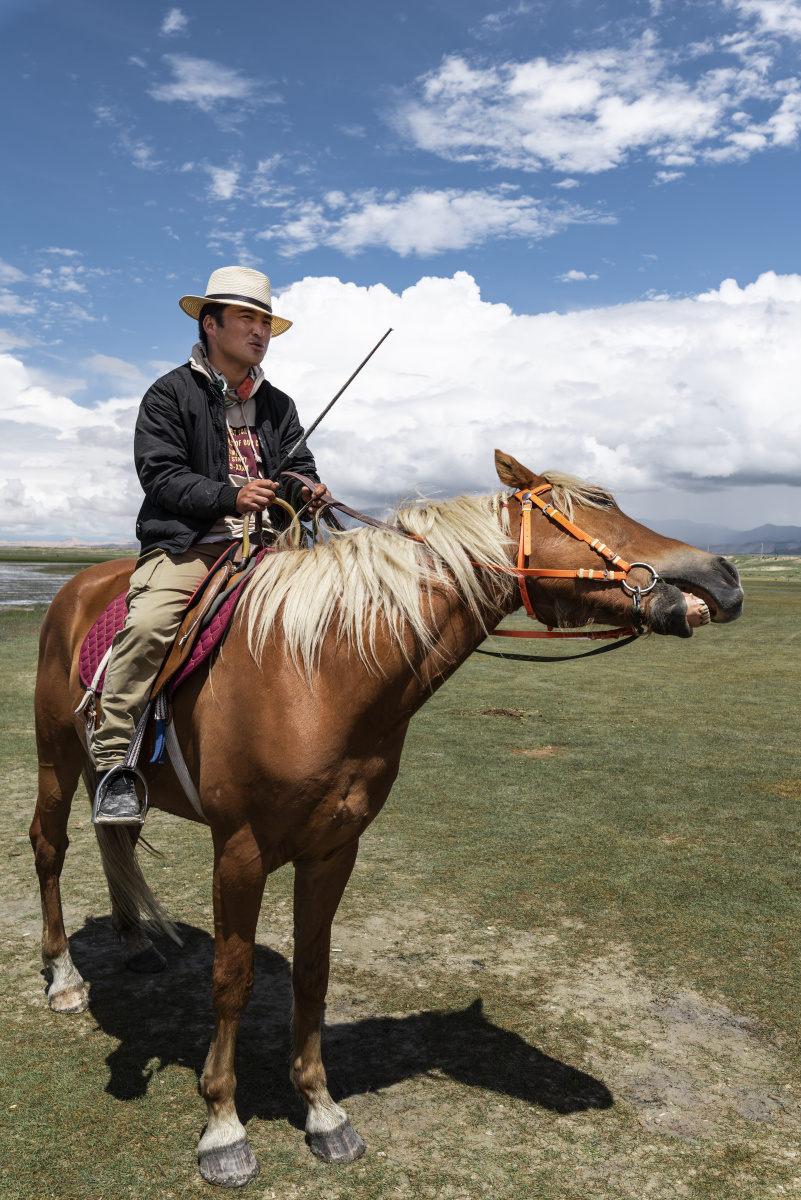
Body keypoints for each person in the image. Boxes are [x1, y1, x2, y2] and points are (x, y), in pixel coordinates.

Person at [92, 266, 330, 823]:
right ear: (210, 324)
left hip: (272, 545)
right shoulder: (168, 394)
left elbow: (295, 466)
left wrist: (306, 489)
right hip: (191, 544)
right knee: (150, 624)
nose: (259, 331)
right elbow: (161, 475)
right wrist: (230, 496)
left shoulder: (279, 404)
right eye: (246, 317)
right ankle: (113, 765)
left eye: (265, 321)